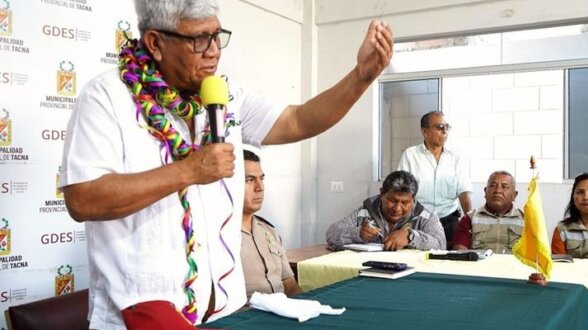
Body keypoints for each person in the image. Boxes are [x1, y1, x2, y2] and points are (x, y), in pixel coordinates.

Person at [59, 0, 393, 328]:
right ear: (156, 43)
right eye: (199, 39)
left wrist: (361, 77)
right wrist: (188, 170)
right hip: (138, 322)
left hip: (226, 317)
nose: (214, 51)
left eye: (218, 36)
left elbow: (298, 120)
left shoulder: (225, 96)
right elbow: (83, 199)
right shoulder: (106, 98)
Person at [397, 111, 472, 246]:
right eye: (439, 127)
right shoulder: (410, 155)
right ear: (425, 132)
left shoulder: (455, 156)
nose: (444, 131)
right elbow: (402, 192)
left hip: (450, 221)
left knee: (451, 263)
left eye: (447, 127)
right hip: (419, 221)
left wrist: (471, 222)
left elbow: (464, 192)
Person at [326, 170, 446, 251]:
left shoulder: (426, 216)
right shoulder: (365, 212)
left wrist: (410, 236)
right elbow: (332, 234)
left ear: (413, 199)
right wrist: (358, 234)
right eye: (392, 201)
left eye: (404, 203)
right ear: (382, 193)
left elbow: (441, 245)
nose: (397, 208)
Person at [240, 149, 302, 300]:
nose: (260, 187)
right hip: (246, 317)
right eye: (249, 180)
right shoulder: (219, 236)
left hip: (282, 313)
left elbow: (290, 285)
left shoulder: (268, 231)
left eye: (261, 179)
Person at [453, 171, 523, 254]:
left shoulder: (525, 220)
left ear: (514, 195)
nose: (498, 190)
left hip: (513, 266)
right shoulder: (469, 219)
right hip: (478, 266)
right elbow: (460, 251)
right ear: (485, 192)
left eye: (504, 187)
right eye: (492, 185)